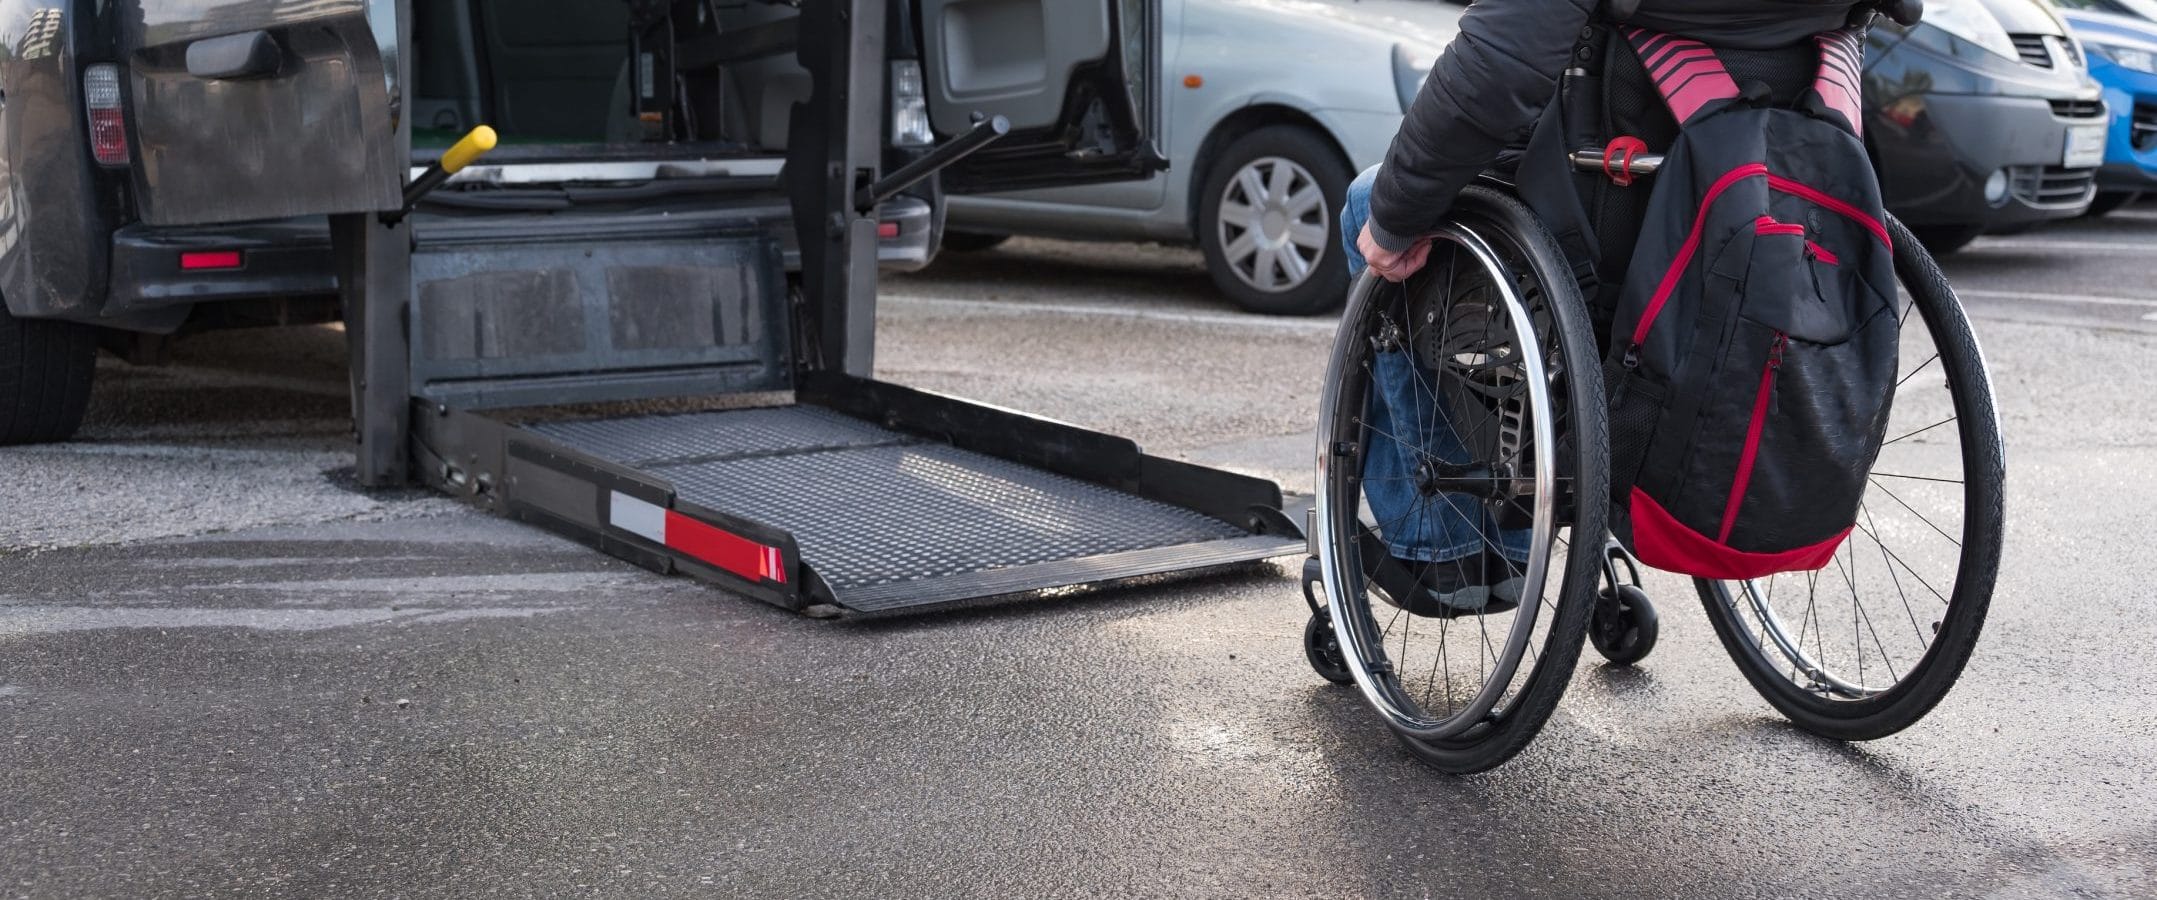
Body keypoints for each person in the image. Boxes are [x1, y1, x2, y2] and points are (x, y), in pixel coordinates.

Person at [1338, 0, 1910, 615]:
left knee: (1368, 205)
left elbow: (1499, 67)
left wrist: (1397, 215)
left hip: (1614, 214)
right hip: (1769, 186)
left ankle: (1447, 542)